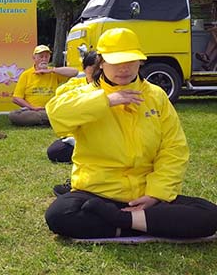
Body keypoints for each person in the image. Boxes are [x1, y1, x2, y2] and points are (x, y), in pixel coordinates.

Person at [44, 28, 217, 239]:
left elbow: (174, 149)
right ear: (101, 62)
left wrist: (155, 194)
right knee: (59, 215)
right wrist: (106, 101)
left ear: (140, 62)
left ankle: (121, 223)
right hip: (98, 192)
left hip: (145, 195)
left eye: (131, 61)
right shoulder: (86, 93)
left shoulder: (156, 96)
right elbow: (57, 114)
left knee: (209, 215)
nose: (124, 68)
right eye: (116, 62)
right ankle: (144, 224)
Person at [47, 50, 99, 164]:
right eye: (93, 66)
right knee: (54, 152)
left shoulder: (109, 87)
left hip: (100, 134)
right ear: (85, 68)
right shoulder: (73, 85)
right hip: (76, 134)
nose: (97, 70)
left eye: (100, 66)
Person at [9, 45, 78, 126]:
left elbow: (75, 72)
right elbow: (16, 98)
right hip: (32, 111)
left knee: (68, 109)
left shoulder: (53, 72)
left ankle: (48, 119)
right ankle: (51, 119)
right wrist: (32, 107)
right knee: (13, 115)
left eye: (46, 57)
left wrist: (52, 70)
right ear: (34, 58)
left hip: (51, 108)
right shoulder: (26, 74)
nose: (44, 59)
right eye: (41, 57)